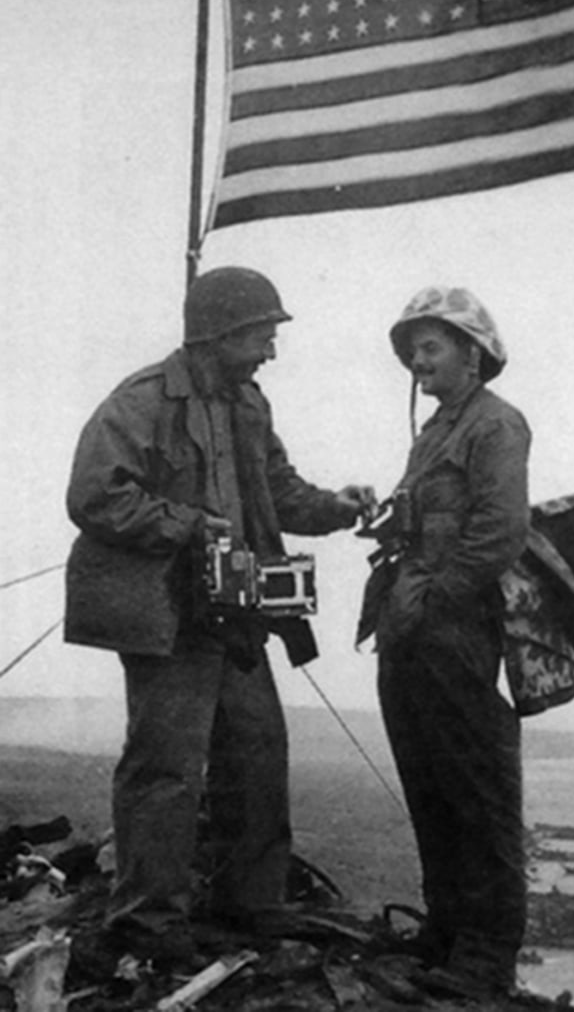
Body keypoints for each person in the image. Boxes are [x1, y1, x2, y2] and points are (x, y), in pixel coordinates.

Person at [64, 265, 375, 964]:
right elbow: (93, 495)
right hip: (167, 615)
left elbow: (283, 493)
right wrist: (187, 524)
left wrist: (338, 506)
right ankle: (148, 923)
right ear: (221, 333)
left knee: (259, 750)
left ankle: (252, 905)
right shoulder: (141, 400)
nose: (270, 348)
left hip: (236, 614)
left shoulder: (250, 404)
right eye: (263, 333)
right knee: (167, 768)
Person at [360, 286, 531, 997]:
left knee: (475, 788)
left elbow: (499, 531)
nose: (418, 362)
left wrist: (436, 600)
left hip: (452, 629)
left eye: (431, 348)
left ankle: (487, 954)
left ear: (472, 351)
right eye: (412, 351)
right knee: (427, 782)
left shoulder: (496, 425)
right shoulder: (435, 431)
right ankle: (447, 931)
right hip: (408, 626)